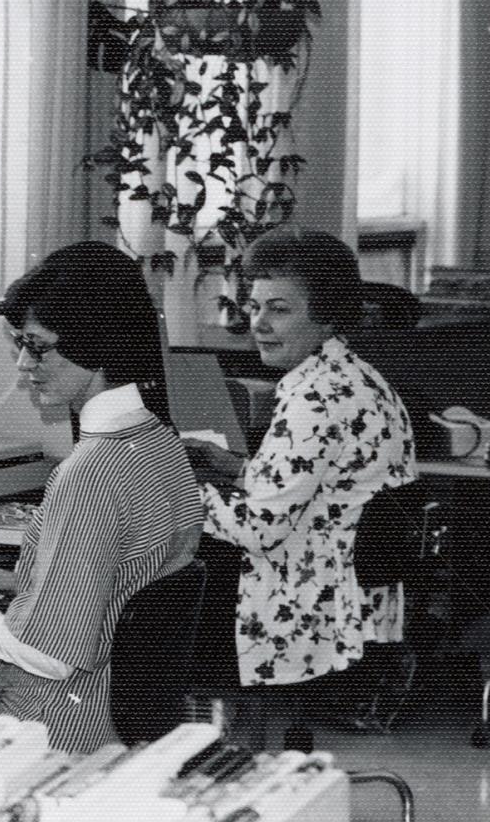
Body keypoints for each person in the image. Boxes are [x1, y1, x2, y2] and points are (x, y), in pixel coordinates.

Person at [0, 241, 203, 753]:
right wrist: (10, 580)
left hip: (63, 729)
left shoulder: (90, 474)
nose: (24, 366)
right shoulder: (160, 441)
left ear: (93, 342)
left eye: (38, 346)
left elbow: (49, 654)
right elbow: (126, 589)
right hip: (124, 716)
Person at [186, 228, 416, 747]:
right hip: (343, 583)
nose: (259, 324)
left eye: (279, 310)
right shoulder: (356, 376)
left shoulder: (314, 398)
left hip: (298, 594)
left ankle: (205, 761)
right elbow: (318, 488)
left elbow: (258, 530)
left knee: (141, 591)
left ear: (327, 313)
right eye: (254, 306)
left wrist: (176, 490)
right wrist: (233, 467)